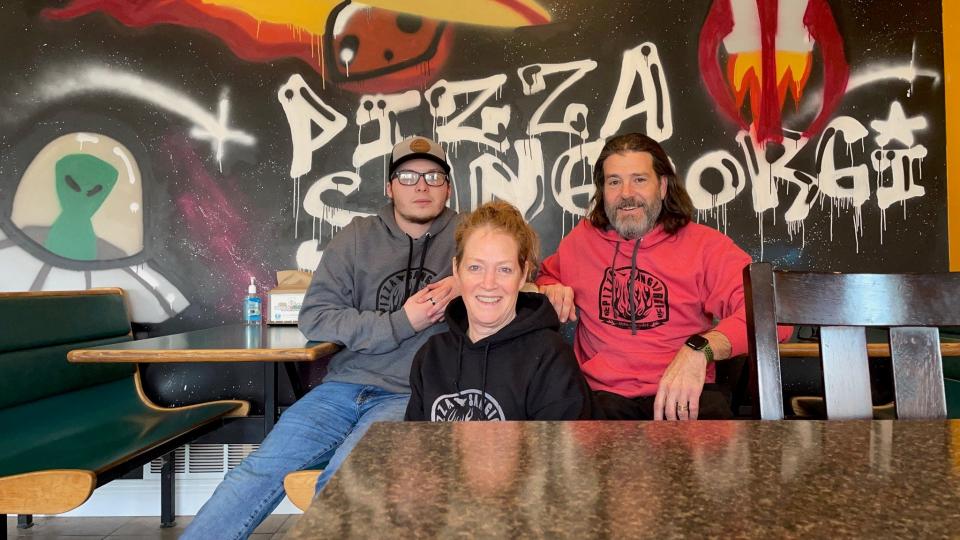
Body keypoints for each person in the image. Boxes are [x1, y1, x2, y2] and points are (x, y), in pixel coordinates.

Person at [183, 136, 459, 539]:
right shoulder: (357, 237)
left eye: (434, 176)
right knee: (257, 472)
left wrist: (468, 279)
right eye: (408, 176)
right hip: (343, 388)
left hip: (412, 391)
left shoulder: (470, 236)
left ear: (448, 187)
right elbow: (316, 317)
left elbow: (517, 277)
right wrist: (402, 322)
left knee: (345, 479)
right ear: (389, 186)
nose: (421, 186)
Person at [536, 132, 791, 421]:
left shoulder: (704, 246)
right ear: (602, 190)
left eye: (639, 179)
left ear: (663, 186)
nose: (626, 193)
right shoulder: (579, 244)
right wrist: (550, 288)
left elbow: (773, 315)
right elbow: (543, 279)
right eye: (614, 181)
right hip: (602, 402)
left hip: (685, 399)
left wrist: (700, 350)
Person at [405, 200, 591, 421]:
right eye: (475, 267)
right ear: (456, 269)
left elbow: (559, 454)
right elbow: (416, 450)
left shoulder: (550, 359)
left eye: (504, 269)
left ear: (523, 275)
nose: (489, 283)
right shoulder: (431, 357)